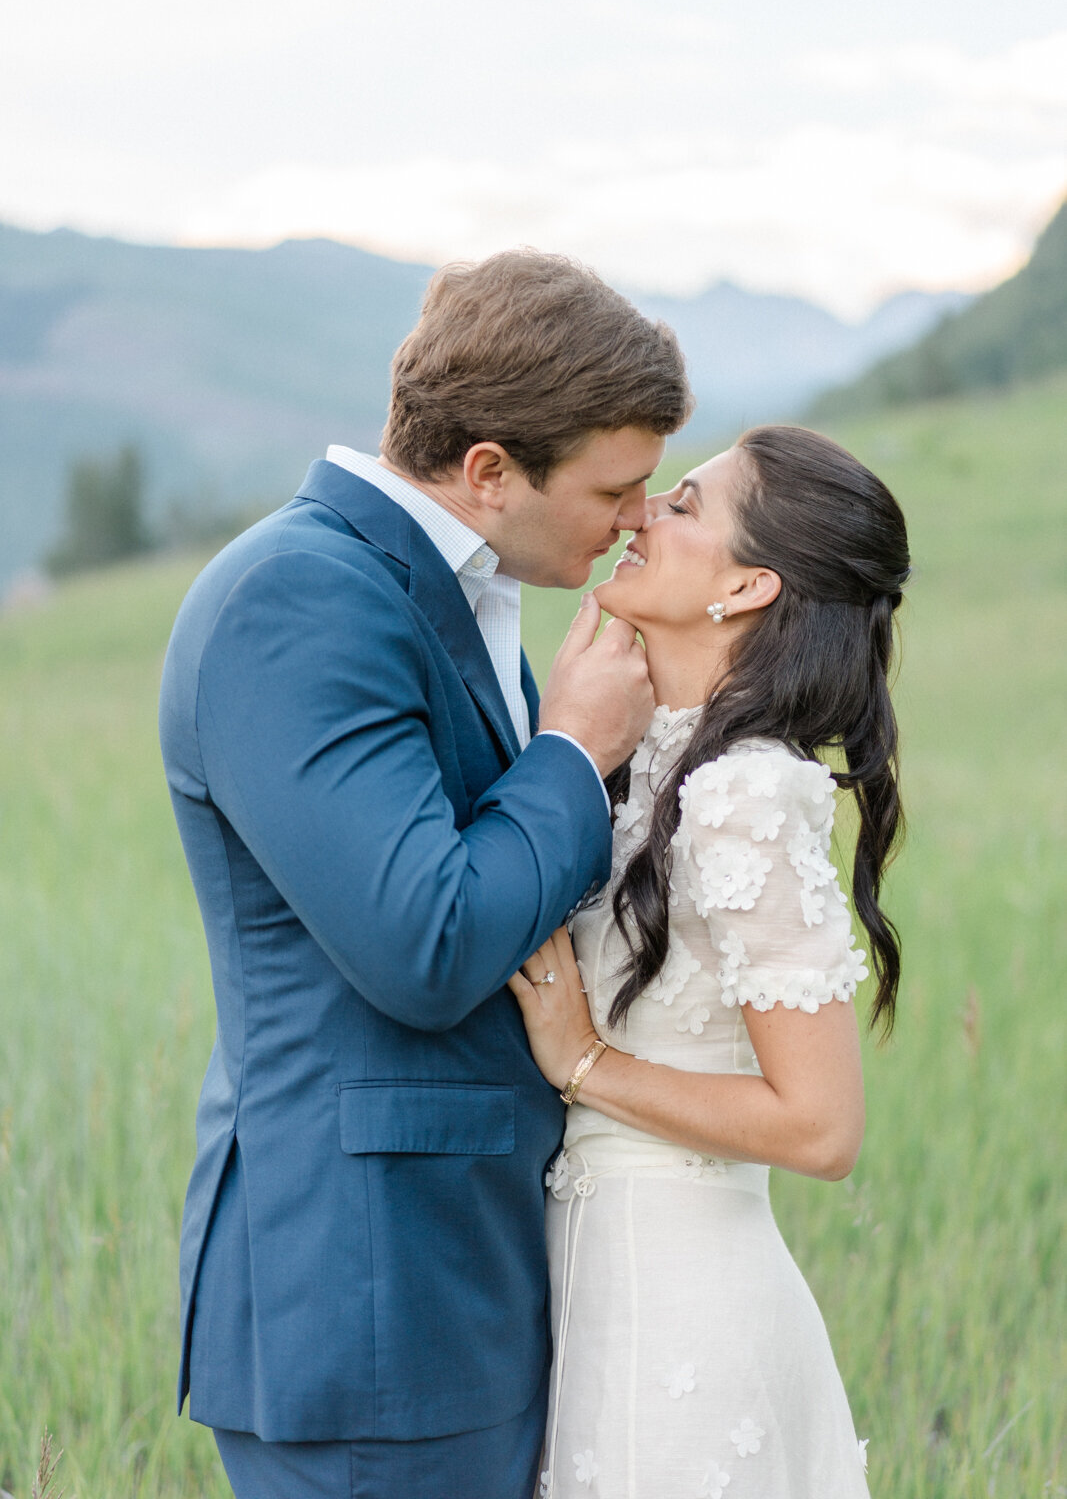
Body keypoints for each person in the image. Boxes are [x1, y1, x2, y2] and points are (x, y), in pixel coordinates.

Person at [158, 250, 692, 1499]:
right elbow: (427, 939)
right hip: (370, 1296)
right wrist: (569, 747)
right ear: (490, 470)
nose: (636, 518)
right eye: (615, 487)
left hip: (458, 1271)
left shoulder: (450, 592)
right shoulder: (296, 600)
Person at [511, 423, 909, 1498]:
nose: (641, 513)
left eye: (683, 505)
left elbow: (820, 1128)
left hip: (679, 1304)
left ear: (744, 586)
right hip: (603, 1285)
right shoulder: (648, 759)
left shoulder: (743, 794)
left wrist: (585, 1062)